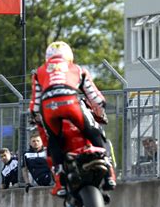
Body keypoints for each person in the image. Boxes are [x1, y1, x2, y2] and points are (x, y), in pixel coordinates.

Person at [29, 41, 116, 195]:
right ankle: (109, 174)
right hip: (71, 103)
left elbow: (35, 103)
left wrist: (34, 115)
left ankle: (60, 180)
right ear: (69, 56)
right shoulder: (77, 69)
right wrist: (102, 106)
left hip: (49, 108)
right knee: (93, 132)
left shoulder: (39, 72)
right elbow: (94, 95)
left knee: (54, 141)